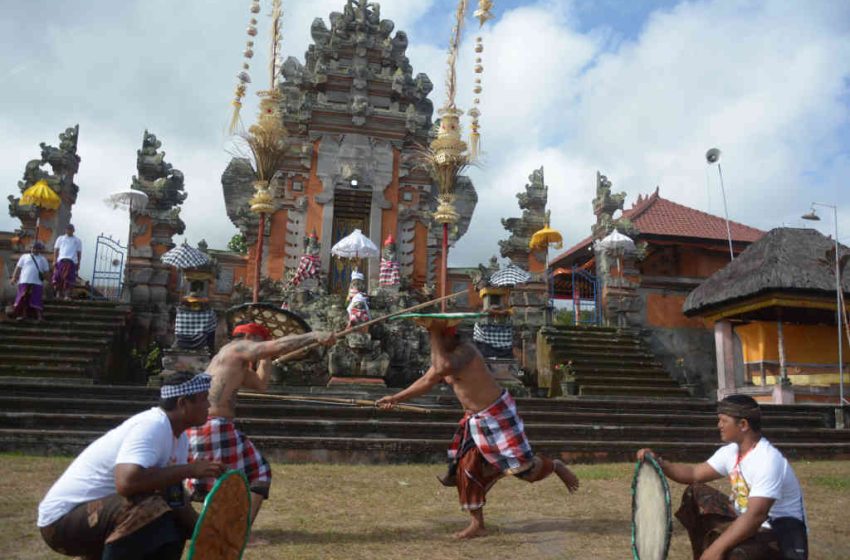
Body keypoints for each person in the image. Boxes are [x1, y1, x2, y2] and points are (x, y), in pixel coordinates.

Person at [377, 320, 580, 539]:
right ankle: (477, 524)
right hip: (475, 420)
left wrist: (434, 330)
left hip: (498, 415)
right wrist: (396, 398)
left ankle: (555, 466)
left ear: (450, 335)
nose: (432, 341)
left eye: (436, 337)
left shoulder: (465, 351)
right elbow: (428, 379)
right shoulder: (444, 355)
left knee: (525, 471)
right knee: (466, 468)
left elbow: (443, 366)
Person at [37, 371, 225, 560]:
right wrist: (191, 470)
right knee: (151, 507)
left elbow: (174, 497)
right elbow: (126, 483)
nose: (208, 405)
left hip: (99, 517)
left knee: (175, 520)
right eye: (203, 399)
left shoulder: (180, 438)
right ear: (183, 403)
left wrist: (206, 531)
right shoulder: (152, 426)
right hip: (60, 522)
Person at [186, 322, 335, 529]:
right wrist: (314, 335)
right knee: (257, 474)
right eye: (261, 342)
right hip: (214, 427)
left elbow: (261, 384)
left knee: (240, 476)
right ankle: (237, 531)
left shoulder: (231, 360)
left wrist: (266, 357)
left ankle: (218, 526)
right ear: (250, 338)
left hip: (211, 427)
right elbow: (278, 345)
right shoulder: (236, 348)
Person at [637, 394, 808, 560]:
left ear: (743, 424)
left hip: (779, 535)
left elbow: (756, 515)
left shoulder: (768, 460)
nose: (719, 425)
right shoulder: (731, 452)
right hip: (749, 523)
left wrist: (717, 549)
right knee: (695, 493)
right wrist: (660, 462)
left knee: (735, 553)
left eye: (724, 420)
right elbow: (694, 473)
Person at [11, 241, 50, 322]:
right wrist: (14, 277)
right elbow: (18, 268)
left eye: (36, 248)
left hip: (37, 282)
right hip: (24, 281)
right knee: (23, 299)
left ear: (40, 250)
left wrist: (49, 280)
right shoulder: (24, 257)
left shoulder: (43, 259)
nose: (34, 250)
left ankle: (39, 316)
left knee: (36, 299)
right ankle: (23, 315)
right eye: (33, 248)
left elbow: (46, 272)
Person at [52, 224, 82, 300]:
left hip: (71, 262)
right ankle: (58, 294)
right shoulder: (60, 238)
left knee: (70, 279)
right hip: (61, 260)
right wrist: (54, 260)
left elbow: (79, 253)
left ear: (73, 230)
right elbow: (56, 250)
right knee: (58, 278)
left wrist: (78, 263)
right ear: (65, 230)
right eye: (68, 229)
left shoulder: (77, 240)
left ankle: (67, 295)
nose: (69, 231)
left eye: (71, 229)